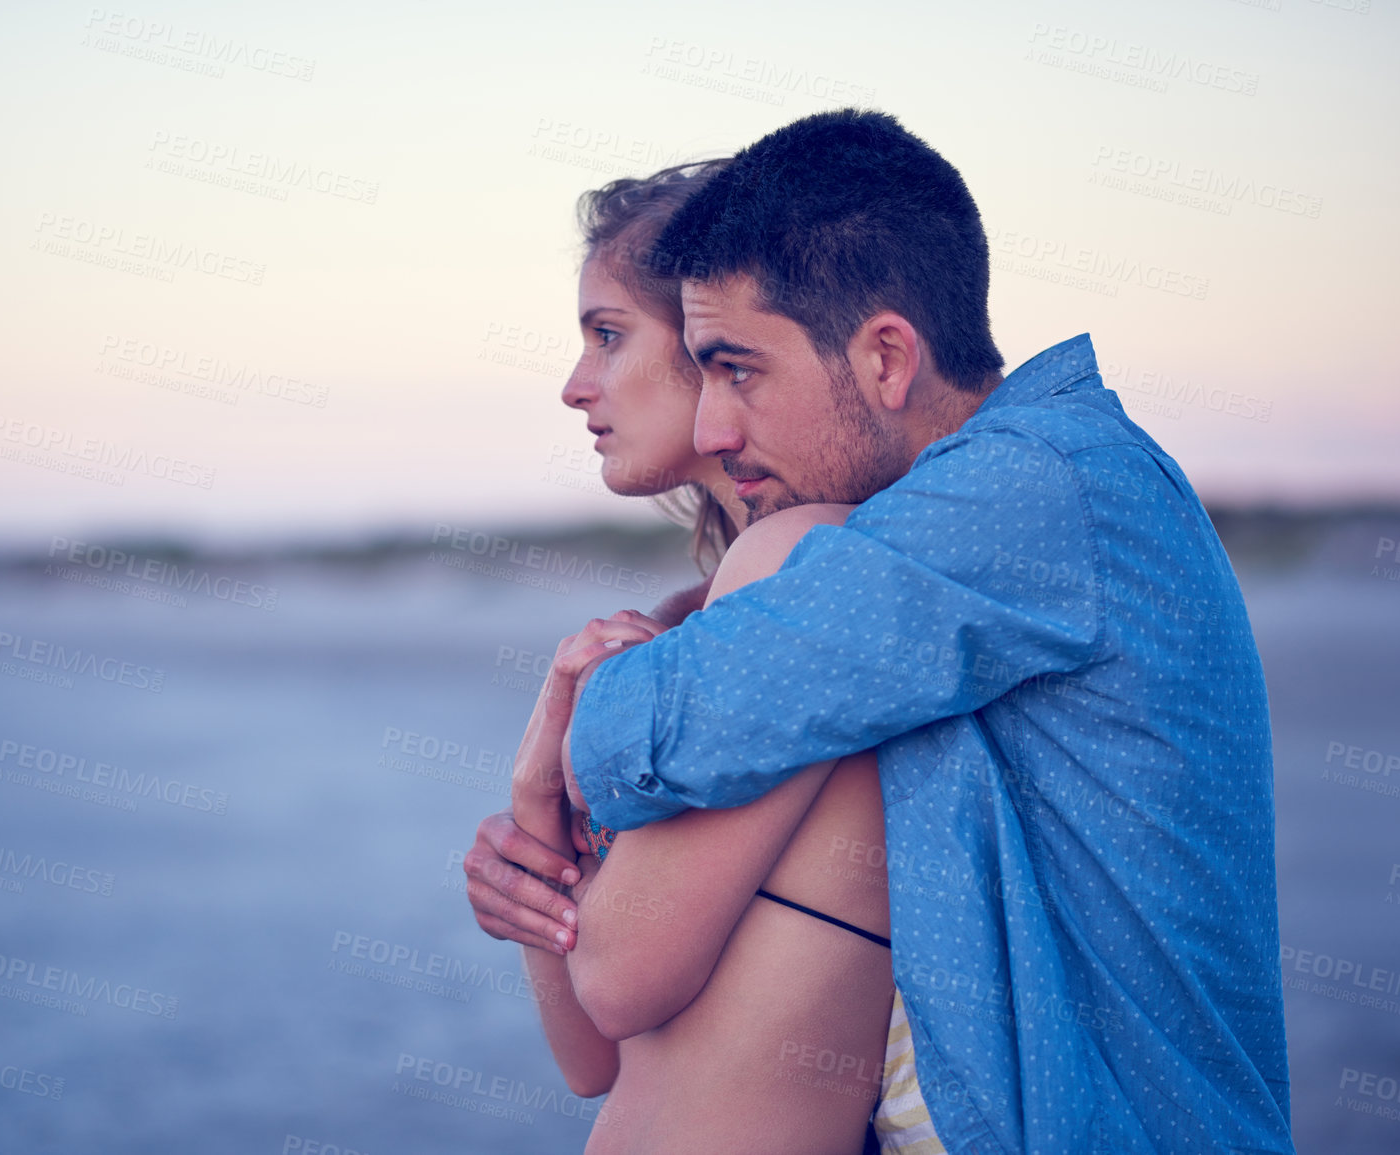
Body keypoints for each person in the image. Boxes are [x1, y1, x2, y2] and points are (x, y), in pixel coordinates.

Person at [507, 109, 1292, 1154]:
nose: (712, 425)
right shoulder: (962, 532)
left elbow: (662, 728)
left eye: (737, 368)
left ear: (886, 358)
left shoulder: (1036, 485)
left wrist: (557, 746)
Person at [474, 162, 899, 1153]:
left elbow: (619, 982)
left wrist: (545, 782)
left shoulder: (799, 568)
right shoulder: (700, 618)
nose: (578, 384)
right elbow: (591, 1061)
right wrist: (539, 809)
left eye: (609, 334)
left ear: (716, 347)